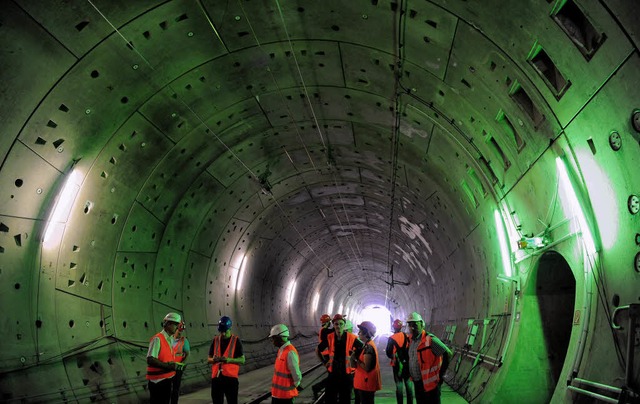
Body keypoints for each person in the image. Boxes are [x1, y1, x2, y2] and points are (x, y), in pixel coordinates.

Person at [406, 312, 453, 404]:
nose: (412, 327)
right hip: (418, 383)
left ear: (422, 324)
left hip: (431, 384)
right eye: (410, 325)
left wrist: (441, 375)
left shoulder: (430, 340)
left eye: (415, 324)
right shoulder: (411, 341)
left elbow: (447, 353)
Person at [317, 314, 364, 404]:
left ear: (344, 324)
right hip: (333, 373)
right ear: (333, 325)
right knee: (330, 399)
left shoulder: (352, 337)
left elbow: (362, 349)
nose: (338, 326)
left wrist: (355, 360)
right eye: (336, 324)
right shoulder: (329, 337)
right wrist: (324, 362)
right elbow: (318, 350)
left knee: (345, 399)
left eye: (341, 324)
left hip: (346, 374)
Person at [146, 312, 184, 404]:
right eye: (175, 325)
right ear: (168, 324)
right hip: (158, 381)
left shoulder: (170, 339)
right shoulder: (157, 339)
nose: (176, 328)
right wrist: (168, 366)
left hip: (166, 379)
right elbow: (150, 359)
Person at [208, 316, 246, 404]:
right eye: (221, 331)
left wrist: (228, 360)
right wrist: (214, 360)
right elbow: (208, 359)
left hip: (230, 379)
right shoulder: (215, 340)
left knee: (232, 401)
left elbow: (242, 360)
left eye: (225, 331)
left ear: (230, 328)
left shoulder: (236, 341)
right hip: (217, 379)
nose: (223, 334)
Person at [268, 324, 302, 403]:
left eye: (273, 338)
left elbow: (296, 375)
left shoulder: (290, 352)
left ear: (280, 337)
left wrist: (293, 387)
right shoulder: (281, 350)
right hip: (277, 395)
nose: (272, 341)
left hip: (285, 397)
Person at [350, 321, 382, 404]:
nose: (358, 333)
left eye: (360, 331)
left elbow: (366, 368)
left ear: (366, 333)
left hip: (366, 383)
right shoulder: (367, 345)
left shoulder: (369, 348)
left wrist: (356, 359)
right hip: (365, 382)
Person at [385, 319, 413, 404]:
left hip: (397, 365)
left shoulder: (391, 338)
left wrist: (394, 357)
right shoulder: (407, 336)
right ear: (401, 327)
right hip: (407, 364)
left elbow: (388, 352)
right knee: (408, 384)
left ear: (394, 327)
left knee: (399, 385)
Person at [312, 314, 333, 399]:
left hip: (326, 354)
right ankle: (317, 388)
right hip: (327, 355)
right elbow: (333, 330)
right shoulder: (324, 331)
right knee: (332, 376)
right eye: (330, 322)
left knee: (332, 375)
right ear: (328, 322)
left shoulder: (323, 330)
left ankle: (328, 391)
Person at [171, 320, 190, 404]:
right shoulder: (169, 340)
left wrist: (182, 365)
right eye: (179, 331)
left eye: (182, 332)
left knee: (175, 389)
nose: (180, 333)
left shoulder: (184, 341)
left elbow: (187, 354)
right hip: (168, 367)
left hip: (177, 369)